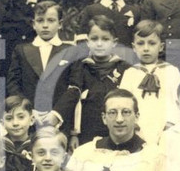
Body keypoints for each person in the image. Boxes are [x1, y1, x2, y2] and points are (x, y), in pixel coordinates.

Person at [53, 14, 131, 149]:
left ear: (114, 42)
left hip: (115, 130)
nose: (99, 43)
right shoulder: (80, 67)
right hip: (86, 131)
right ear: (88, 42)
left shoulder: (124, 68)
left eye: (105, 39)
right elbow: (73, 97)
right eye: (94, 39)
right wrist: (74, 134)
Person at [119, 20, 180, 145]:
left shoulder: (172, 71)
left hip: (166, 130)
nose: (146, 48)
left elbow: (179, 103)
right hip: (137, 131)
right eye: (140, 44)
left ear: (161, 47)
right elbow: (123, 104)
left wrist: (171, 124)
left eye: (152, 43)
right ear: (134, 47)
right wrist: (133, 127)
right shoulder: (130, 73)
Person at [6, 0, 72, 120]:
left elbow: (74, 87)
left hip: (60, 119)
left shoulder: (70, 51)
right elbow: (13, 84)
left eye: (51, 20)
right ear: (33, 24)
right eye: (40, 20)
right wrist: (28, 110)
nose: (45, 25)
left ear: (60, 24)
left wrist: (56, 114)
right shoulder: (21, 50)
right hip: (29, 119)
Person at [1, 96, 34, 171]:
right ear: (2, 122)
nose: (15, 123)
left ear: (31, 120)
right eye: (9, 118)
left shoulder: (37, 147)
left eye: (21, 117)